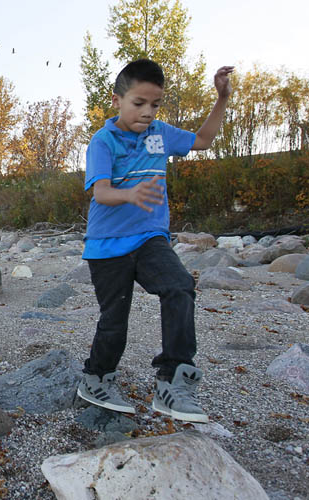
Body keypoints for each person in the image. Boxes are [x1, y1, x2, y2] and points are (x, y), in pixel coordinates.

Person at [77, 59, 234, 423]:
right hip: (107, 244)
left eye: (155, 104)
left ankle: (172, 380)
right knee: (115, 320)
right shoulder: (103, 141)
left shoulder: (159, 134)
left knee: (179, 287)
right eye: (139, 103)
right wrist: (130, 194)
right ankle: (96, 376)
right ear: (117, 100)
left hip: (150, 238)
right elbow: (101, 192)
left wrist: (222, 99)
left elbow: (203, 141)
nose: (147, 112)